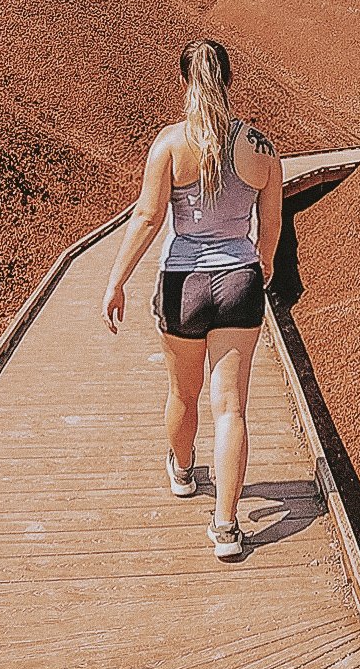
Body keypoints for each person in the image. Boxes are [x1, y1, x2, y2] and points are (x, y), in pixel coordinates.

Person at [101, 38, 283, 561]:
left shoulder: (170, 144)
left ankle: (183, 472)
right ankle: (226, 528)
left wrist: (116, 281)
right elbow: (269, 222)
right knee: (231, 408)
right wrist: (263, 262)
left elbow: (147, 217)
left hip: (184, 285)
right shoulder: (262, 148)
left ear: (185, 82)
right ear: (229, 79)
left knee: (183, 393)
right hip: (239, 282)